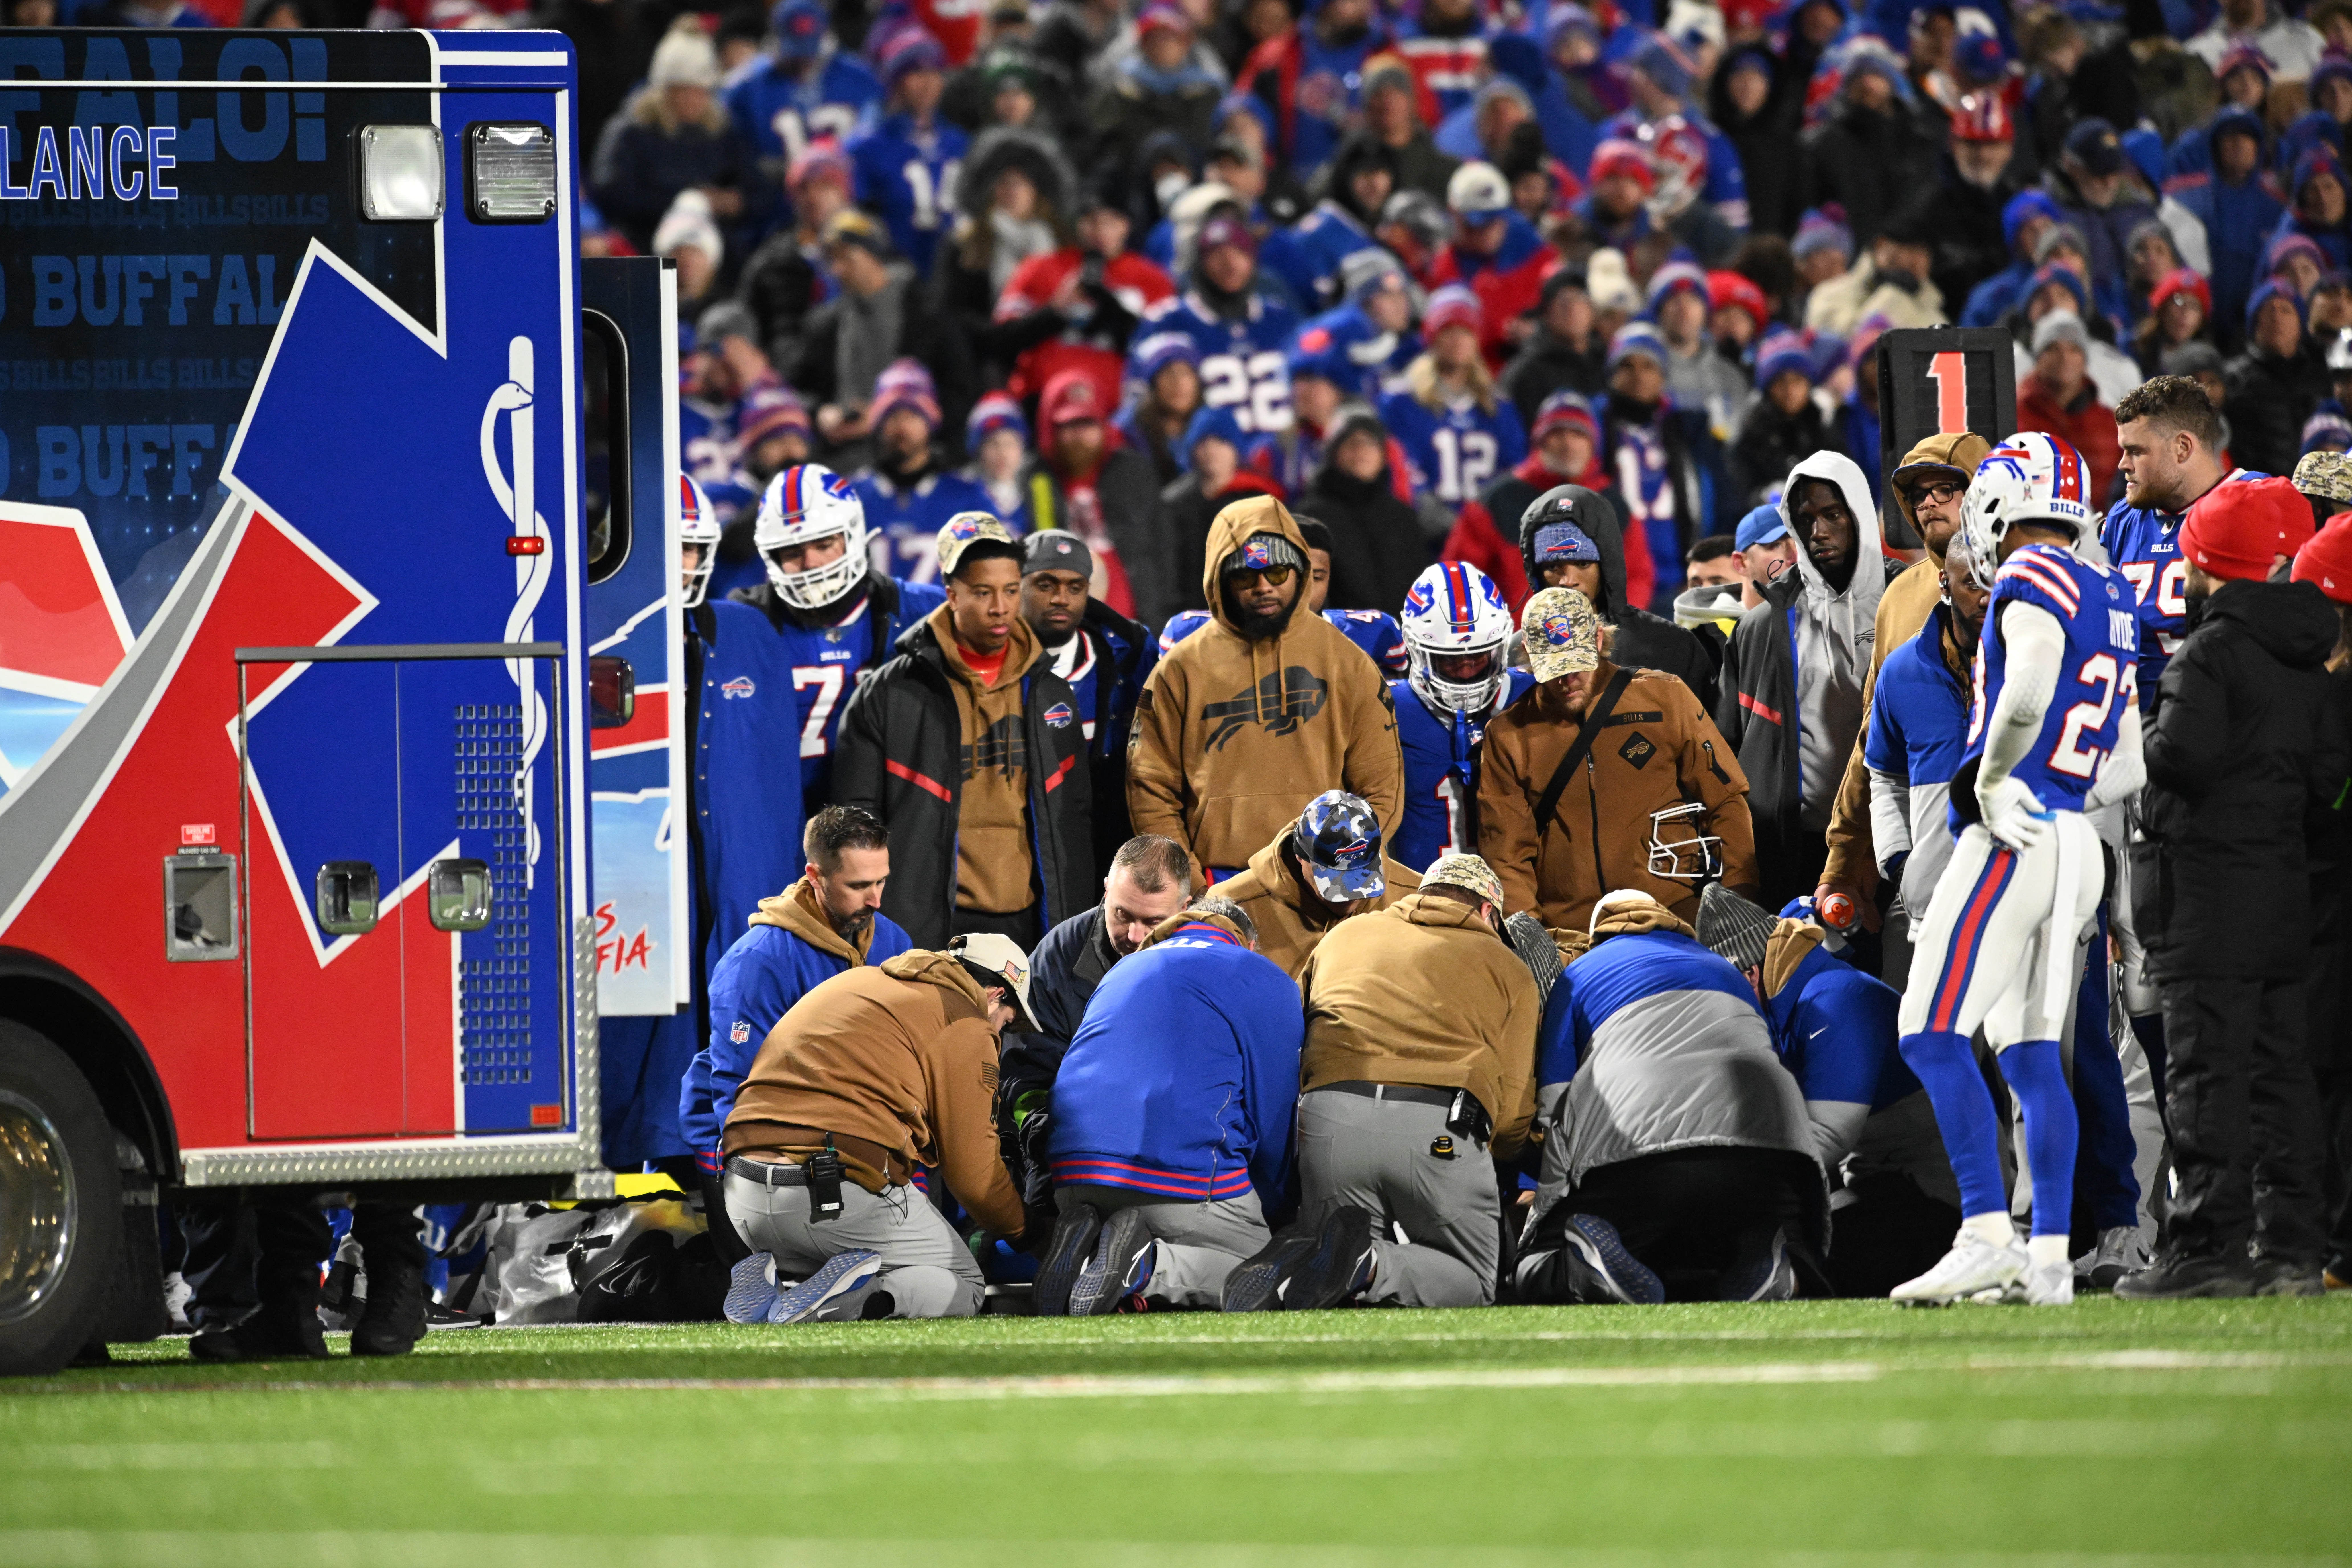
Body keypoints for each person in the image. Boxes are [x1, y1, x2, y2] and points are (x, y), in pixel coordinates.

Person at [1889, 440, 2143, 1308]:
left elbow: (2028, 682)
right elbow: (2131, 763)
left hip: (2016, 830)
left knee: (1928, 1032)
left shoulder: (2029, 572)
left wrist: (1996, 780)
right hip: (2076, 838)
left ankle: (1985, 1233)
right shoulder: (2110, 590)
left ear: (1998, 502)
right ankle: (2046, 1258)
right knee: (2036, 1055)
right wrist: (2062, 792)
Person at [2122, 477, 2346, 1299]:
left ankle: (2206, 1249)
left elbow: (2182, 756)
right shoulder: (2308, 657)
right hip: (2284, 894)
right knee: (2282, 1076)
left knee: (2206, 1076)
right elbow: (2326, 783)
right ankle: (2291, 1247)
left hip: (2208, 897)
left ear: (2208, 564)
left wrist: (2138, 727)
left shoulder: (2210, 652)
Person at [1246, 852, 1538, 1310]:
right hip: (1440, 1128)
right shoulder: (1509, 967)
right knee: (1473, 1282)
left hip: (1329, 1120)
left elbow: (1292, 1035)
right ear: (1487, 912)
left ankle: (1331, 1258)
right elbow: (1515, 1114)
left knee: (1333, 1293)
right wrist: (1497, 1158)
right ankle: (1370, 1262)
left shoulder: (1343, 936)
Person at [1515, 891, 1826, 1305]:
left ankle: (1580, 1268)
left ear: (1598, 934)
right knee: (1761, 1239)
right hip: (1769, 1153)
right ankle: (1780, 1265)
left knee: (1536, 1264)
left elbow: (1556, 1103)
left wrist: (1544, 1213)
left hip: (1637, 1153)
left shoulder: (1579, 975)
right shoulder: (1724, 968)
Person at [720, 934, 1034, 1323]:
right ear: (994, 995)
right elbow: (974, 1175)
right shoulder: (967, 1019)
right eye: (1007, 1021)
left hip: (741, 1193)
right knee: (965, 1282)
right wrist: (1026, 1232)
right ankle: (849, 1300)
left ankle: (783, 1283)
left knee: (827, 1260)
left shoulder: (860, 982)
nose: (1001, 1033)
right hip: (829, 1193)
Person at [832, 515, 1092, 951]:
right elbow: (856, 826)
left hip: (1033, 924)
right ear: (952, 595)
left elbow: (1075, 819)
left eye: (1011, 591)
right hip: (926, 927)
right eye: (982, 593)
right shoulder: (889, 694)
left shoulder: (1051, 692)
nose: (1000, 608)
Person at [1035, 898, 1302, 1314]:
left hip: (1072, 1180)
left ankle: (1087, 1256)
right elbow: (1275, 1117)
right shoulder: (1258, 974)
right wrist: (1282, 1212)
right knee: (1274, 1277)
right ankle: (1144, 1267)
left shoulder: (1121, 970)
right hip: (1177, 1187)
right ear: (1247, 944)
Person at [680, 806, 914, 1278]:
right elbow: (740, 1094)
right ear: (815, 876)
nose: (877, 899)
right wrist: (792, 1178)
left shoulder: (895, 943)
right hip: (750, 1145)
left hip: (846, 1133)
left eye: (882, 881)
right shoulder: (755, 963)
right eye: (858, 886)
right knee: (769, 1290)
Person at [1126, 495, 1404, 883]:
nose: (1263, 587)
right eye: (1245, 577)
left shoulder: (1348, 663)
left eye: (1277, 574)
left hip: (1326, 881)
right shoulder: (1179, 671)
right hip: (1214, 884)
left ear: (1299, 573)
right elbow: (1150, 789)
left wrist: (1343, 870)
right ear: (1221, 579)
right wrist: (1187, 880)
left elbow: (1382, 785)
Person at [1697, 888, 1957, 1300]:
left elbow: (1828, 1136)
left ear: (1747, 973)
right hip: (1883, 1177)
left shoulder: (1835, 1000)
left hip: (1944, 1194)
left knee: (1834, 1257)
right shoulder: (1793, 1002)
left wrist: (1727, 1189)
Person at [1479, 586, 1756, 932]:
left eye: (1576, 664)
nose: (1568, 680)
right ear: (1529, 655)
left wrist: (1740, 896)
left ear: (1598, 640)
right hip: (1571, 934)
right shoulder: (1508, 734)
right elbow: (1507, 853)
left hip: (1673, 915)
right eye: (1555, 669)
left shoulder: (1665, 698)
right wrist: (1529, 933)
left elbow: (1726, 800)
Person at [1715, 451, 1900, 908]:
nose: (1818, 532)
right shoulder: (1761, 627)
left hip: (1898, 840)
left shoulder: (1912, 601)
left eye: (1832, 514)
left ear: (1857, 511)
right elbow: (1726, 747)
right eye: (1806, 519)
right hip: (1795, 850)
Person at [734, 464, 945, 816]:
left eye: (823, 544)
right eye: (792, 551)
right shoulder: (744, 625)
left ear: (853, 535)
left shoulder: (922, 611)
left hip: (887, 818)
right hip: (780, 818)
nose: (810, 563)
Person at [998, 834, 1196, 1148]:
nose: (1134, 935)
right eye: (1122, 914)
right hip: (1071, 1138)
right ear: (1106, 889)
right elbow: (1026, 1068)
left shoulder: (1210, 961)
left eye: (1153, 922)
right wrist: (1044, 1138)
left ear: (1185, 908)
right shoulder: (1059, 955)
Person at [1860, 530, 1989, 968]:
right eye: (1972, 583)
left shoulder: (2038, 661)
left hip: (2019, 904)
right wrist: (1899, 863)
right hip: (1927, 909)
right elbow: (1884, 774)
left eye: (1995, 580)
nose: (1986, 598)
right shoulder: (1901, 671)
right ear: (1945, 585)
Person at [1018, 529, 1157, 870]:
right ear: (1017, 586)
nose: (1061, 598)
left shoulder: (1131, 653)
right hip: (1020, 844)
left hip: (1106, 845)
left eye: (1075, 587)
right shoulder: (992, 662)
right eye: (1046, 585)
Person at [1518, 482, 1714, 710]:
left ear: (1607, 565)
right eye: (1553, 567)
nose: (1568, 580)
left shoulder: (1671, 646)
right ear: (1537, 572)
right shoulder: (1519, 655)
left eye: (1583, 563)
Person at [1388, 562, 1532, 871]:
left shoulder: (1533, 695)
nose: (1467, 669)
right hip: (1416, 900)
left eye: (1479, 657)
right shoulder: (1387, 706)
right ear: (1415, 648)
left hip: (1513, 896)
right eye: (1451, 661)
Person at [1443, 388, 1628, 613]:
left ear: (1593, 445)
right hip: (1515, 642)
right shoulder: (1498, 501)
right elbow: (1458, 582)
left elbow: (1637, 575)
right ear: (1540, 441)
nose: (1568, 444)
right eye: (1557, 434)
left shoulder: (1612, 503)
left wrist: (1612, 628)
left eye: (1578, 434)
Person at [1211, 790, 1422, 979]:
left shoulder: (1418, 897)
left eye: (1363, 875)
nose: (1351, 895)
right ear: (1300, 856)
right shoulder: (1231, 906)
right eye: (1335, 879)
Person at [589, 22, 749, 256]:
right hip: (642, 245)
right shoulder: (632, 132)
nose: (693, 100)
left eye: (700, 91)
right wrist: (688, 201)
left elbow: (754, 188)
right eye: (684, 90)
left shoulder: (719, 132)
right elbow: (613, 193)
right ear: (664, 91)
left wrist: (734, 202)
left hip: (711, 251)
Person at [1380, 285, 1530, 511]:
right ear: (1432, 337)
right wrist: (1431, 515)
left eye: (1467, 331)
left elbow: (1514, 470)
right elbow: (1401, 466)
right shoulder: (1402, 401)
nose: (1458, 340)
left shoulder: (1499, 407)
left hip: (1485, 531)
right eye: (1448, 330)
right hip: (1424, 532)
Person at [851, 371, 1003, 584]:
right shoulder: (850, 496)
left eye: (913, 415)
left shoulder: (968, 498)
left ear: (930, 421)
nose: (902, 427)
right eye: (893, 416)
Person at [726, 0, 884, 197]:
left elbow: (876, 142)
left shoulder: (859, 78)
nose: (804, 61)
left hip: (845, 196)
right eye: (796, 53)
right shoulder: (749, 85)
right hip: (772, 199)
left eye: (810, 51)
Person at [846, 30, 968, 280]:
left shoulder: (959, 142)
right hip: (896, 277)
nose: (928, 82)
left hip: (956, 278)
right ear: (895, 80)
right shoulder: (866, 148)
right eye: (916, 73)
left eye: (935, 72)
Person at [1304, 404, 1437, 619]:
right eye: (1352, 443)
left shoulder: (1402, 516)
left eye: (1371, 443)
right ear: (1333, 453)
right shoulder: (1313, 517)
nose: (1362, 451)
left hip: (1401, 643)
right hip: (1340, 643)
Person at [2015, 312, 2124, 510]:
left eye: (2074, 349)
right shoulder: (2014, 415)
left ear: (2085, 359)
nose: (2064, 358)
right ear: (2038, 358)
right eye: (2053, 349)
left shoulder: (2110, 422)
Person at [2225, 280, 2329, 481]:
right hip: (2258, 493)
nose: (2277, 318)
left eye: (2286, 311)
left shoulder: (2320, 377)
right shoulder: (2235, 379)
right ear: (2255, 323)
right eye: (2269, 311)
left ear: (2301, 324)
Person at [1728, 330, 1833, 507]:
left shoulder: (1824, 428)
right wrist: (1763, 496)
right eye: (1781, 382)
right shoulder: (1750, 435)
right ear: (1768, 387)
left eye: (1797, 380)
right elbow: (1738, 494)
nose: (1790, 390)